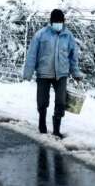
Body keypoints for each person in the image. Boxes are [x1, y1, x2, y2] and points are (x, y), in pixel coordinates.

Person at [23, 9, 82, 138]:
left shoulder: (68, 36)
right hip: (43, 73)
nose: (58, 24)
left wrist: (75, 73)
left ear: (63, 22)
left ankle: (56, 129)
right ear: (51, 22)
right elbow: (32, 54)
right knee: (42, 101)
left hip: (61, 74)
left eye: (60, 22)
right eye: (55, 21)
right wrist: (28, 73)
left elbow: (73, 57)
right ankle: (42, 123)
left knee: (61, 101)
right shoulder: (41, 35)